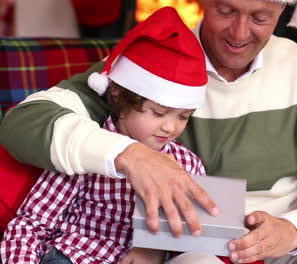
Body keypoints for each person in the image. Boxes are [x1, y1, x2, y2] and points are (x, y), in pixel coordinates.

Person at [1, 0, 297, 263]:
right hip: (197, 251)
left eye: (260, 17)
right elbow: (25, 123)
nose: (239, 32)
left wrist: (293, 231)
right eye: (226, 10)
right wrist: (130, 154)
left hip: (292, 246)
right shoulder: (149, 62)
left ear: (284, 12)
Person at [0, 7, 212, 264]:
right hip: (73, 257)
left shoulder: (187, 165)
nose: (170, 127)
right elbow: (32, 224)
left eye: (183, 116)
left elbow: (194, 235)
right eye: (158, 113)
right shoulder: (86, 150)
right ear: (118, 96)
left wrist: (156, 250)